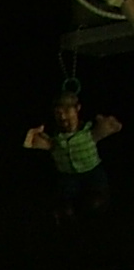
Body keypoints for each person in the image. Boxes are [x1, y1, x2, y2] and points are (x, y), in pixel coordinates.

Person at [24, 87, 119, 219]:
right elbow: (28, 143)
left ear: (77, 108)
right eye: (58, 112)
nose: (63, 117)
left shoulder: (89, 132)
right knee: (65, 210)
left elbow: (116, 126)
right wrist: (33, 134)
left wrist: (107, 123)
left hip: (92, 173)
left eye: (67, 111)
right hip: (68, 177)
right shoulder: (54, 140)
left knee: (96, 203)